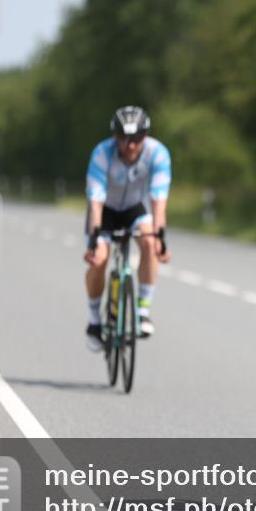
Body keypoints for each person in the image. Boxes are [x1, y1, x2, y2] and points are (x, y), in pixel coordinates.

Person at [83, 106, 172, 351]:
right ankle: (94, 321)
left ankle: (142, 311)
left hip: (135, 207)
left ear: (146, 136)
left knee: (149, 243)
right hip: (105, 211)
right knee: (100, 259)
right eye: (123, 138)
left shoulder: (158, 154)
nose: (130, 145)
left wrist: (160, 238)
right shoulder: (102, 154)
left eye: (136, 139)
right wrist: (94, 239)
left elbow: (158, 200)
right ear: (115, 136)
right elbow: (95, 199)